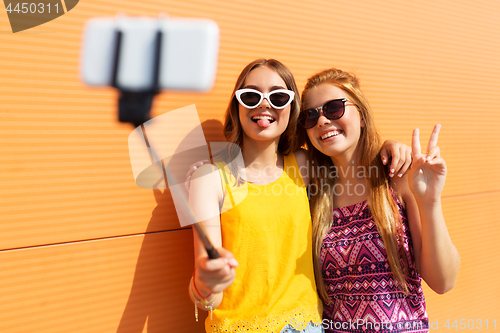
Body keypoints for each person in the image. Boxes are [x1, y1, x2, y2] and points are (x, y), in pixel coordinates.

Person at [187, 59, 411, 333]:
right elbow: (206, 299)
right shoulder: (209, 180)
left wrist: (389, 147)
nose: (264, 104)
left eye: (278, 96)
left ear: (292, 110)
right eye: (251, 95)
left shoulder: (305, 166)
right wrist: (206, 284)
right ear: (237, 106)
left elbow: (353, 154)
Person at [296, 68, 460, 332]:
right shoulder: (311, 194)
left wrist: (430, 202)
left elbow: (443, 281)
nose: (322, 121)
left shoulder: (396, 178)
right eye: (310, 115)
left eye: (334, 108)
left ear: (361, 115)